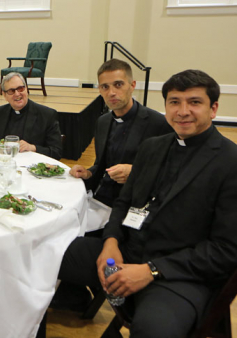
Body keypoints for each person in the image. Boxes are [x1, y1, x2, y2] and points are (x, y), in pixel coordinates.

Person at [57, 69, 237, 337]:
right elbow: (124, 204)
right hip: (127, 252)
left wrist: (151, 270)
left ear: (213, 109)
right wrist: (111, 243)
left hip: (179, 274)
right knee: (47, 253)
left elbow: (226, 250)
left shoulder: (230, 162)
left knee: (153, 329)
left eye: (194, 102)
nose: (183, 111)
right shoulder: (153, 147)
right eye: (174, 102)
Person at [70, 59, 172, 232]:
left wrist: (134, 172)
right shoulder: (102, 122)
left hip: (131, 205)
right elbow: (102, 164)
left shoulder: (157, 123)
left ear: (132, 85)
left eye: (118, 85)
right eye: (105, 87)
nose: (111, 92)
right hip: (98, 197)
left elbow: (170, 172)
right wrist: (88, 173)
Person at [0, 72, 62, 159]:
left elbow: (56, 152)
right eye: (11, 91)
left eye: (20, 88)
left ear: (26, 89)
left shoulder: (47, 115)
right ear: (5, 95)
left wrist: (32, 148)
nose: (17, 94)